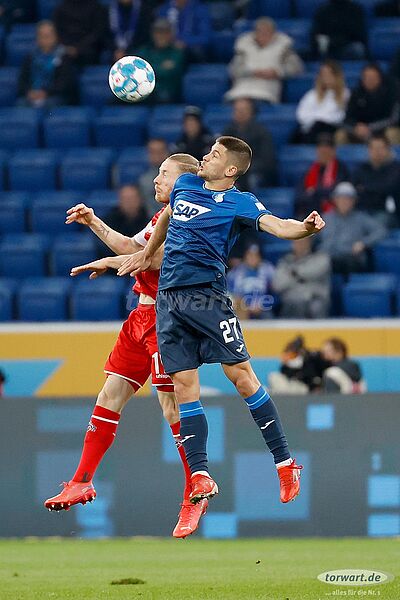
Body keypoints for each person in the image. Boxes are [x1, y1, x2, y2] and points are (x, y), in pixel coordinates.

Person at [119, 136, 326, 506]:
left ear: (230, 169)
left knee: (241, 377)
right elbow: (166, 216)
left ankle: (285, 463)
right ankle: (199, 474)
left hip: (208, 298)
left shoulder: (240, 202)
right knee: (184, 385)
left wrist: (306, 228)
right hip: (170, 301)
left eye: (214, 155)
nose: (205, 156)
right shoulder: (185, 184)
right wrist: (147, 253)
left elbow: (280, 226)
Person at [44, 154, 208, 539]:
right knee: (110, 393)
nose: (156, 180)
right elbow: (132, 246)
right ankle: (81, 481)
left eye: (164, 174)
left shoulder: (192, 219)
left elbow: (154, 259)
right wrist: (94, 222)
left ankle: (194, 493)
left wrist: (108, 260)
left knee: (170, 405)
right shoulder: (161, 216)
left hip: (169, 318)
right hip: (140, 317)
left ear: (184, 182)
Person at [225, 17, 303, 104]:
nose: (263, 35)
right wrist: (252, 72)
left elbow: (296, 68)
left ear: (274, 33)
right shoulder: (243, 46)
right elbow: (234, 70)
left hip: (268, 89)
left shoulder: (285, 47)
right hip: (242, 87)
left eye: (267, 32)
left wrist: (277, 73)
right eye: (260, 32)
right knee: (238, 103)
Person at [319, 182, 386, 277]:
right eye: (341, 198)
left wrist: (363, 243)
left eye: (348, 199)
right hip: (326, 257)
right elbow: (311, 238)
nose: (344, 202)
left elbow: (381, 231)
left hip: (350, 258)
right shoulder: (325, 218)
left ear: (354, 201)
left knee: (342, 262)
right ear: (335, 200)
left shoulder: (361, 218)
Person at [336, 64, 400, 145]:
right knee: (340, 134)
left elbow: (393, 119)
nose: (369, 80)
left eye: (373, 77)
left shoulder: (391, 93)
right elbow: (347, 118)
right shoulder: (356, 94)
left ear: (379, 78)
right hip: (359, 131)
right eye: (366, 77)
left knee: (392, 133)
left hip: (382, 129)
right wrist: (356, 126)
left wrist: (370, 127)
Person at [17, 21, 77, 108]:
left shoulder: (64, 56)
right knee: (21, 104)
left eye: (47, 36)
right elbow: (22, 80)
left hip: (54, 96)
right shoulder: (30, 57)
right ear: (37, 38)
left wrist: (46, 93)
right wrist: (29, 92)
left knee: (50, 104)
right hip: (32, 95)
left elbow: (65, 83)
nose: (45, 39)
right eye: (41, 36)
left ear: (55, 37)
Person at [223, 98, 277, 189]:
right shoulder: (228, 131)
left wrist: (243, 168)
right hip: (232, 171)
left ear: (252, 112)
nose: (240, 113)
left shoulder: (261, 132)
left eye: (243, 110)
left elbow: (267, 160)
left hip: (253, 171)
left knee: (252, 179)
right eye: (237, 110)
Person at [272, 237, 331, 319]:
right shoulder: (285, 261)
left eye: (303, 241)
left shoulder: (321, 258)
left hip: (314, 298)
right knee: (291, 303)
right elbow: (277, 285)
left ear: (309, 242)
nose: (300, 245)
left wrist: (293, 274)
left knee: (316, 306)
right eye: (297, 242)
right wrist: (300, 277)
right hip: (292, 301)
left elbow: (313, 272)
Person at [294, 61, 349, 144]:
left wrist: (323, 119)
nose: (326, 77)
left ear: (337, 76)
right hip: (312, 127)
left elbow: (343, 115)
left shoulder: (345, 94)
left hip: (332, 128)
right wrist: (317, 119)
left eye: (329, 74)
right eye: (323, 74)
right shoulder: (312, 94)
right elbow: (301, 114)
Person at [295, 134, 349, 218]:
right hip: (311, 211)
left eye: (326, 152)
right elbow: (301, 193)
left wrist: (315, 192)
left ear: (333, 151)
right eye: (320, 152)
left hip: (334, 213)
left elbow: (337, 191)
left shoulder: (341, 169)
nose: (323, 155)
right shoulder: (310, 170)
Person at [352, 133, 400, 228]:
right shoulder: (362, 169)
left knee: (374, 225)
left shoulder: (396, 169)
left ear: (388, 149)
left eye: (380, 148)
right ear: (368, 150)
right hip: (362, 211)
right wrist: (375, 188)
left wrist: (365, 188)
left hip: (387, 213)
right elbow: (353, 188)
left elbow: (388, 187)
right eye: (374, 148)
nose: (377, 152)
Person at [138, 18, 185, 104]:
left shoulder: (177, 52)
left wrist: (148, 69)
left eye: (165, 33)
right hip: (145, 92)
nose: (161, 36)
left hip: (168, 92)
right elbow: (137, 72)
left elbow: (171, 73)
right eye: (158, 32)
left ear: (170, 34)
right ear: (152, 34)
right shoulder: (144, 51)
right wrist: (161, 67)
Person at [97, 185, 149, 258]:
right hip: (115, 262)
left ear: (140, 199)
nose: (129, 203)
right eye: (126, 199)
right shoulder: (109, 221)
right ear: (120, 201)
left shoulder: (149, 221)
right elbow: (104, 247)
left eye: (132, 198)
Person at [227, 244, 275, 320]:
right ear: (245, 257)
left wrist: (263, 305)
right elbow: (228, 292)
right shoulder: (235, 272)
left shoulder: (268, 270)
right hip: (240, 309)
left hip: (262, 309)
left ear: (260, 257)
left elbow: (275, 293)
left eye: (256, 255)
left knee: (268, 315)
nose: (253, 258)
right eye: (250, 255)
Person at [54, 0, 108, 66]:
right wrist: (68, 47)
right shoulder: (61, 8)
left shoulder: (97, 8)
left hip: (90, 48)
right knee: (60, 59)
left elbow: (97, 32)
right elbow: (58, 30)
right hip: (66, 48)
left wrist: (78, 48)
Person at [138, 138, 170, 216]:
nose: (156, 155)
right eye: (153, 152)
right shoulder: (143, 180)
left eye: (160, 152)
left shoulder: (177, 177)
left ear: (167, 153)